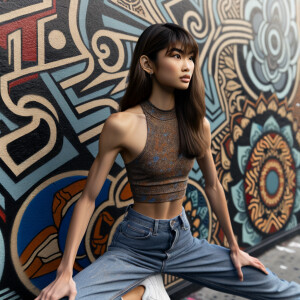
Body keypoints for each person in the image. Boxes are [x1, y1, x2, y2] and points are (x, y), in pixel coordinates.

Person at [35, 23, 300, 300]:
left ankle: (146, 286)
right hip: (134, 247)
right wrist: (64, 273)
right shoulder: (121, 124)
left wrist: (234, 247)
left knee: (277, 289)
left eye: (190, 57)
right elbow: (88, 197)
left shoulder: (197, 123)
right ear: (148, 64)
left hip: (183, 243)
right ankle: (144, 288)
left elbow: (213, 186)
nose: (187, 66)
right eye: (176, 56)